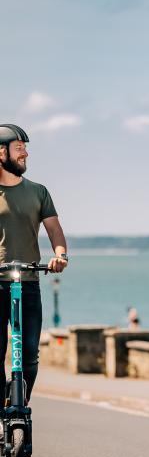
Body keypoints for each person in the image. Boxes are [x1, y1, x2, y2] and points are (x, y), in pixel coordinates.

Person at [0, 123, 68, 402]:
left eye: (25, 148)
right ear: (1, 153)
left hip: (28, 283)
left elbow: (54, 230)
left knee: (29, 351)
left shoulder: (39, 192)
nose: (25, 154)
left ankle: (19, 404)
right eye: (19, 148)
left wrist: (60, 255)